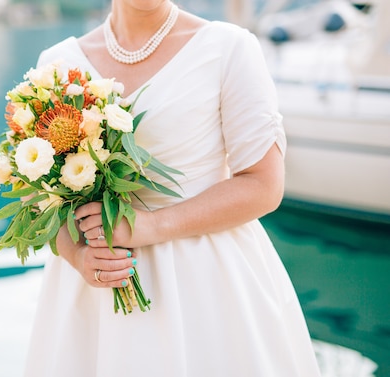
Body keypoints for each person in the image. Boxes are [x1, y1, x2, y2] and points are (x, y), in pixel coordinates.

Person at [23, 1, 322, 376]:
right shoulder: (56, 63)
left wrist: (148, 226)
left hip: (205, 281)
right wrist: (79, 257)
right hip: (95, 294)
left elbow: (263, 185)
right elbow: (39, 194)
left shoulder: (228, 48)